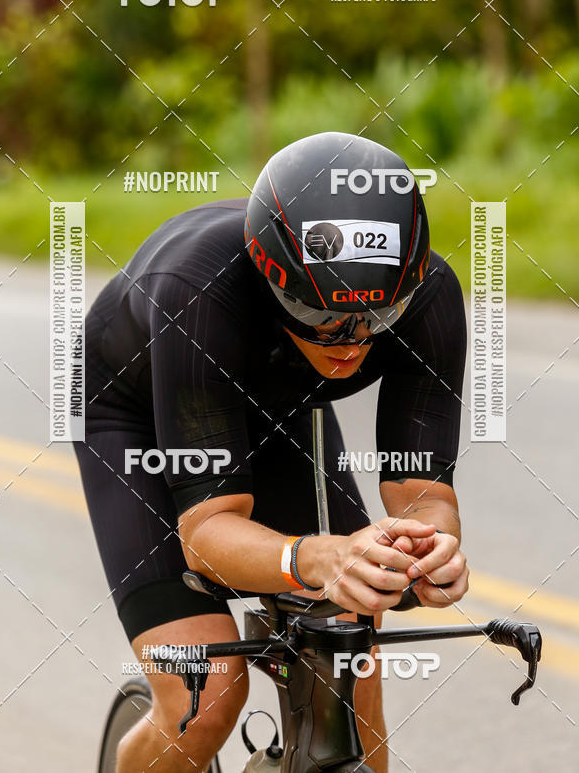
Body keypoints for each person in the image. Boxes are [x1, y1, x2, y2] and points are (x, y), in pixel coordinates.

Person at [74, 131, 468, 773]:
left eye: (379, 316)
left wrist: (434, 545)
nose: (353, 340)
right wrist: (316, 557)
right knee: (206, 693)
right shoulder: (198, 290)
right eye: (322, 316)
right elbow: (206, 533)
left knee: (346, 653)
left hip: (277, 405)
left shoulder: (428, 301)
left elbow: (422, 489)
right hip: (134, 405)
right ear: (272, 278)